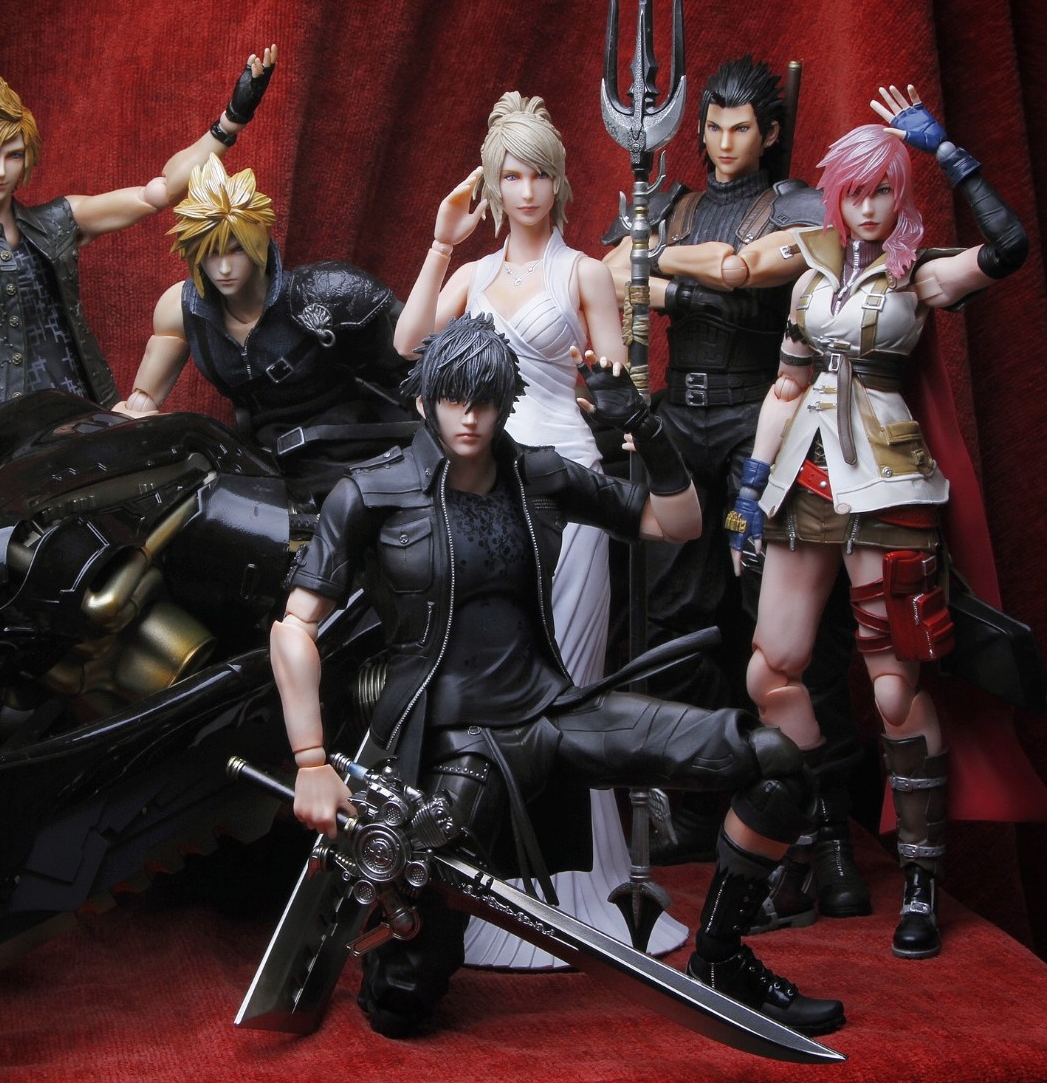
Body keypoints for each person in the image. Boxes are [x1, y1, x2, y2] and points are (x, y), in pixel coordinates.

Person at [273, 314, 844, 1039]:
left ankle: (722, 958)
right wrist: (311, 761)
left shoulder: (537, 473)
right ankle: (410, 966)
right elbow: (293, 628)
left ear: (507, 402)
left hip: (553, 715)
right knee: (402, 1000)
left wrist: (645, 427)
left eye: (485, 400)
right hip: (455, 744)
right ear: (424, 400)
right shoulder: (372, 492)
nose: (470, 417)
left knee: (776, 762)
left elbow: (676, 525)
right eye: (453, 399)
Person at [729, 86, 1029, 958]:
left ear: (901, 194)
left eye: (883, 190)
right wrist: (750, 487)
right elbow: (786, 386)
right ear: (835, 196)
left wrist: (950, 154)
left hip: (891, 489)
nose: (867, 207)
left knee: (893, 687)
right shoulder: (812, 275)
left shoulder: (920, 273)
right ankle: (797, 840)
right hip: (806, 483)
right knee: (770, 670)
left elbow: (1009, 247)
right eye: (854, 192)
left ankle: (922, 878)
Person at [392, 92, 682, 968]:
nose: (525, 192)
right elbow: (408, 343)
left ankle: (587, 882)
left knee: (571, 675)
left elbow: (618, 387)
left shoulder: (583, 273)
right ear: (493, 184)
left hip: (566, 484)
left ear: (559, 183)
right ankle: (505, 878)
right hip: (486, 493)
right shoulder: (473, 276)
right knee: (498, 676)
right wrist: (441, 241)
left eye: (539, 176)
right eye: (511, 176)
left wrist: (623, 414)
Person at [601, 58, 866, 928]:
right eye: (712, 127)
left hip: (766, 414)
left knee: (789, 631)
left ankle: (823, 826)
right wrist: (669, 267)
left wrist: (662, 273)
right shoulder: (668, 201)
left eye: (740, 128)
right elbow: (609, 269)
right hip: (680, 416)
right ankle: (700, 800)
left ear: (770, 131)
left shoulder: (798, 204)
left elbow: (746, 267)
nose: (723, 143)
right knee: (675, 615)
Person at [0, 48, 275, 434]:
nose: (0, 170)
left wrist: (229, 121)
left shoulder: (57, 221)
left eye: (13, 155)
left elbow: (156, 193)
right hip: (9, 442)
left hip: (95, 418)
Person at [116, 156, 411, 497]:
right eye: (211, 253)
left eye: (236, 250)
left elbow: (412, 349)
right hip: (265, 462)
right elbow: (142, 401)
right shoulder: (181, 310)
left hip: (352, 447)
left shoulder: (323, 291)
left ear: (258, 243)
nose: (224, 268)